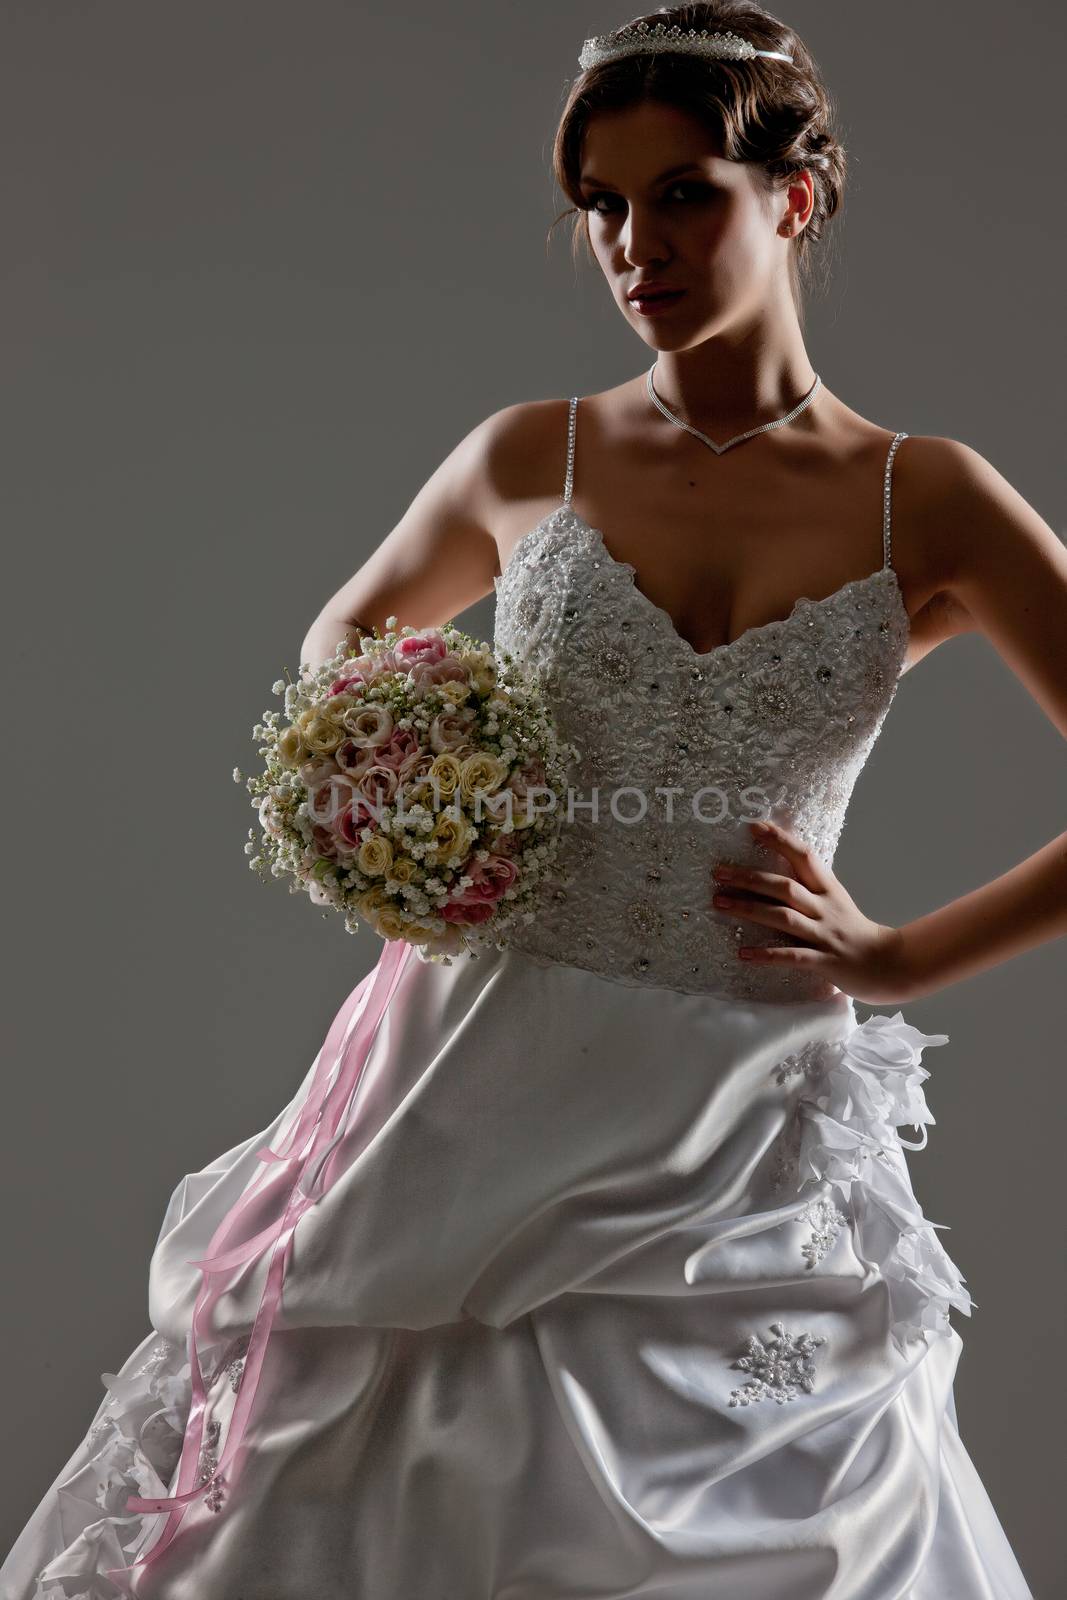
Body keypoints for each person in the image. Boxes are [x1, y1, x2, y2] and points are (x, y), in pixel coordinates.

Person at [4, 4, 1063, 1596]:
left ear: (800, 194)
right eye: (605, 206)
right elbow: (345, 648)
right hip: (467, 1090)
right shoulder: (532, 456)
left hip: (734, 1133)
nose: (638, 243)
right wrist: (416, 811)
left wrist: (902, 957)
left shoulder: (931, 497)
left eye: (686, 192)